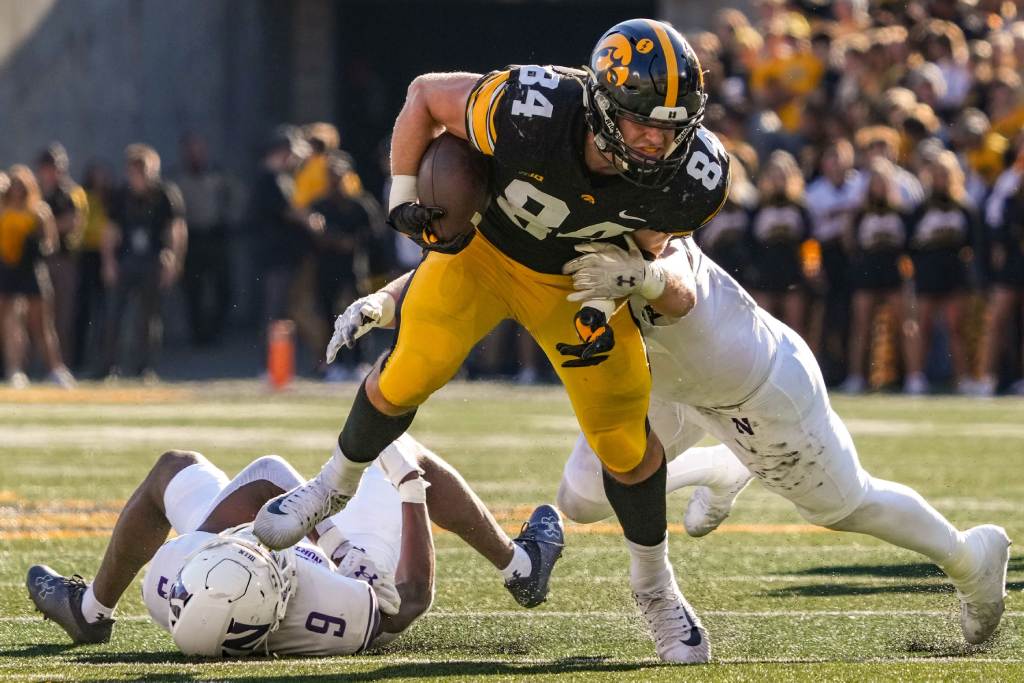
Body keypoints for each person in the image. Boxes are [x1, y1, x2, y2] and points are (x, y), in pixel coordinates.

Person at [255, 19, 730, 665]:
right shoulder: (535, 107)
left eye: (673, 125)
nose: (658, 139)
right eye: (644, 121)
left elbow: (663, 268)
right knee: (405, 375)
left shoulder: (695, 174)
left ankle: (656, 587)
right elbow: (425, 96)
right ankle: (333, 485)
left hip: (575, 280)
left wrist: (631, 283)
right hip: (480, 255)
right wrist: (400, 198)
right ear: (602, 106)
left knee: (623, 440)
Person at [545, 235, 1010, 649]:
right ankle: (720, 467)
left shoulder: (645, 203)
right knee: (581, 497)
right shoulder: (551, 196)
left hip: (757, 389)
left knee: (843, 507)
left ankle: (971, 558)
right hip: (667, 384)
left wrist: (644, 276)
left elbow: (676, 276)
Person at [26, 439, 564, 655]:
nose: (260, 549)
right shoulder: (325, 610)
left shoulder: (170, 577)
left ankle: (90, 610)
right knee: (401, 450)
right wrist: (406, 487)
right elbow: (412, 599)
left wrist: (320, 529)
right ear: (280, 597)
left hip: (255, 556)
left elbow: (266, 481)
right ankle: (523, 568)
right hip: (346, 566)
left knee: (174, 470)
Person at [97, 144, 187, 380]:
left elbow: (176, 230)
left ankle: (145, 367)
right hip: (126, 259)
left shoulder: (165, 194)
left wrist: (174, 260)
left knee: (149, 317)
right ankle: (109, 366)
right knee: (113, 313)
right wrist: (108, 262)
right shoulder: (121, 196)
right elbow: (110, 231)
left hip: (153, 259)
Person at [905, 150, 981, 394]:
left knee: (956, 327)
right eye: (937, 173)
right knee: (922, 326)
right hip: (928, 274)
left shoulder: (964, 207)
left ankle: (963, 378)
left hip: (955, 275)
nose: (941, 178)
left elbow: (974, 244)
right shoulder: (920, 209)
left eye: (945, 173)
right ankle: (915, 378)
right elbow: (909, 244)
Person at [840, 158, 916, 394]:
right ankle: (855, 376)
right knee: (861, 326)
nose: (879, 187)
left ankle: (914, 376)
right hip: (867, 271)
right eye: (875, 182)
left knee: (905, 324)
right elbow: (849, 242)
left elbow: (910, 244)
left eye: (884, 182)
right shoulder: (860, 213)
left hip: (893, 271)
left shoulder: (901, 212)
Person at [0, 165, 75, 388]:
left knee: (41, 323)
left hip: (31, 269)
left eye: (21, 187)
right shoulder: (3, 211)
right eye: (13, 187)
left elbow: (50, 243)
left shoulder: (38, 211)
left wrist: (33, 243)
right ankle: (15, 369)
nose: (17, 192)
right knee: (11, 322)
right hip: (8, 270)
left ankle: (56, 368)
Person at [174, 133, 243, 346]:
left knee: (224, 288)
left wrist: (230, 218)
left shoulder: (218, 174)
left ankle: (215, 331)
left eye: (199, 150)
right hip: (191, 238)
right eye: (191, 151)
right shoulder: (177, 178)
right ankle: (199, 336)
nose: (195, 155)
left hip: (215, 236)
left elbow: (238, 197)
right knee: (192, 290)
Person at [747, 150, 811, 337]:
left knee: (795, 328)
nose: (777, 180)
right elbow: (750, 243)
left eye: (782, 176)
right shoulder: (757, 208)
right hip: (764, 273)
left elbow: (809, 241)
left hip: (792, 271)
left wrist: (810, 266)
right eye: (773, 175)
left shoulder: (800, 208)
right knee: (763, 328)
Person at [36, 143, 88, 364]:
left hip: (64, 260)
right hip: (40, 261)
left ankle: (63, 364)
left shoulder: (70, 192)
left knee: (63, 316)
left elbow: (73, 222)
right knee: (40, 316)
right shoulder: (37, 193)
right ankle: (43, 363)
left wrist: (46, 227)